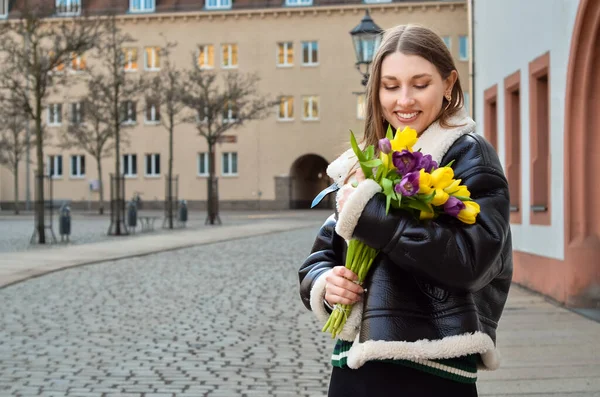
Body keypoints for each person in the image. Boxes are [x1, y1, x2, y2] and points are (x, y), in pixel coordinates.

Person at [299, 24, 512, 397]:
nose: (404, 100)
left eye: (420, 84)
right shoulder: (367, 159)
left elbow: (473, 262)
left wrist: (375, 218)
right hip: (354, 365)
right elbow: (322, 255)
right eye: (391, 86)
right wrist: (326, 283)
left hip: (431, 369)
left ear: (448, 84)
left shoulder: (469, 154)